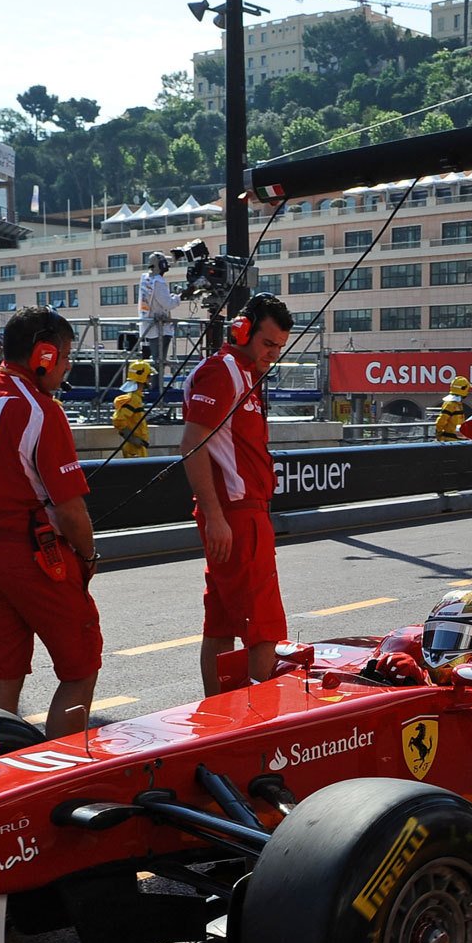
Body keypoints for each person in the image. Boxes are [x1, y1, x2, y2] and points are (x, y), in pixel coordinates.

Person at [0, 306, 102, 734]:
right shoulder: (40, 410)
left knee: (2, 675)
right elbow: (71, 511)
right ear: (44, 356)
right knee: (80, 666)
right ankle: (63, 777)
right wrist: (88, 555)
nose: (67, 367)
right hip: (35, 556)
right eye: (66, 356)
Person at [182, 292, 294, 696]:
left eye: (279, 347)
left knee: (222, 621)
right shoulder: (222, 371)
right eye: (268, 344)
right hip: (237, 514)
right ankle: (254, 724)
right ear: (241, 329)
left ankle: (219, 714)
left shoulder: (245, 374)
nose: (274, 354)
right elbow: (192, 444)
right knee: (263, 627)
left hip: (240, 512)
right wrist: (214, 515)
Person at [362, 589, 472, 686]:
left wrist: (423, 684)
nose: (440, 647)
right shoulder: (409, 648)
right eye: (438, 636)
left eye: (455, 638)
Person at [138, 252, 179, 376]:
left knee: (154, 358)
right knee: (159, 360)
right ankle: (157, 386)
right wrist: (179, 297)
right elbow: (168, 304)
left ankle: (155, 385)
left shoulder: (146, 278)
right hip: (159, 327)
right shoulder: (159, 282)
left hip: (148, 325)